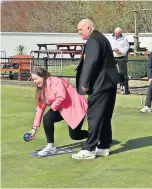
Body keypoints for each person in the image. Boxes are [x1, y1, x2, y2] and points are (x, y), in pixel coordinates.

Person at [73, 19, 120, 160]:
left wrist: (85, 83)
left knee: (94, 116)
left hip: (100, 85)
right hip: (109, 84)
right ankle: (104, 146)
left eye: (80, 29)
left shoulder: (93, 40)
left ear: (88, 27)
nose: (79, 32)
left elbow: (90, 63)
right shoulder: (101, 38)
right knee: (105, 116)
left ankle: (89, 149)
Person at [27, 67, 88, 157]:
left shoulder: (56, 81)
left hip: (75, 107)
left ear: (43, 77)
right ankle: (50, 146)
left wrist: (52, 108)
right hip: (62, 108)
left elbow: (61, 96)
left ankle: (95, 136)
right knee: (48, 118)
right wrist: (34, 128)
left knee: (75, 135)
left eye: (36, 79)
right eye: (33, 80)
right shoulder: (41, 90)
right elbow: (40, 108)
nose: (35, 82)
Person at [110, 27, 130, 95]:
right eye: (115, 33)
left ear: (120, 33)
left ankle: (124, 89)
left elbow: (126, 47)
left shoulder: (124, 38)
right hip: (112, 57)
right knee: (111, 72)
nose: (116, 35)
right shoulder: (110, 38)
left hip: (121, 57)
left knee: (123, 74)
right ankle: (112, 87)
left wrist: (120, 51)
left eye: (118, 34)